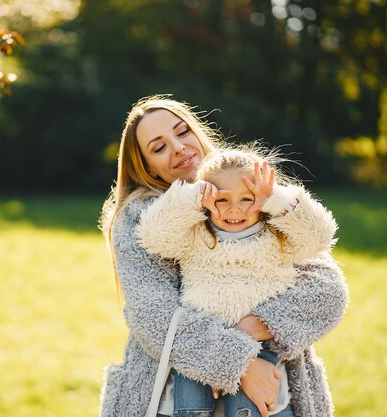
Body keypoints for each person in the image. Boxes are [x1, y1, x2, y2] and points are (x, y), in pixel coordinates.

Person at [98, 95, 348, 417]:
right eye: (159, 147)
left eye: (182, 132)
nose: (177, 147)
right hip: (169, 398)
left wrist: (252, 327)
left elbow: (325, 289)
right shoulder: (140, 216)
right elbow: (153, 314)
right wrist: (238, 361)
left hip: (272, 393)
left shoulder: (251, 189)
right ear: (147, 167)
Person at [135, 145, 338, 417]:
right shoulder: (196, 234)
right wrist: (191, 197)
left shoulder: (277, 236)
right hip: (203, 341)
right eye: (221, 200)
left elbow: (319, 237)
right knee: (190, 409)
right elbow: (154, 237)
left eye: (247, 199)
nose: (234, 209)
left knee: (247, 409)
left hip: (259, 345)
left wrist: (276, 199)